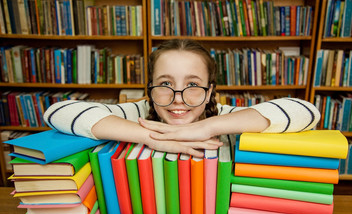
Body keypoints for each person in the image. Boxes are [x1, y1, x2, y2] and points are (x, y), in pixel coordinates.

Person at [43, 39, 320, 158]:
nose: (178, 99)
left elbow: (306, 110)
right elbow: (58, 111)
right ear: (149, 87)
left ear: (210, 91)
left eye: (193, 85)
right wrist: (151, 137)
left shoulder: (225, 116)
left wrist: (206, 127)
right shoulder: (137, 112)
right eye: (165, 84)